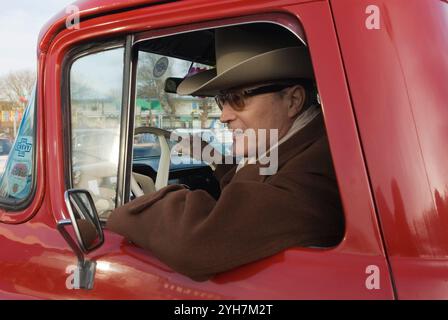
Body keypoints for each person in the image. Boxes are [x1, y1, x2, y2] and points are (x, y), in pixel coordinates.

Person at [107, 25, 344, 281]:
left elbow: (195, 243)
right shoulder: (302, 143)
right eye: (222, 100)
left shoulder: (319, 170)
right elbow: (263, 173)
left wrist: (126, 210)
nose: (223, 116)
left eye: (238, 99)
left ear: (293, 100)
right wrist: (213, 157)